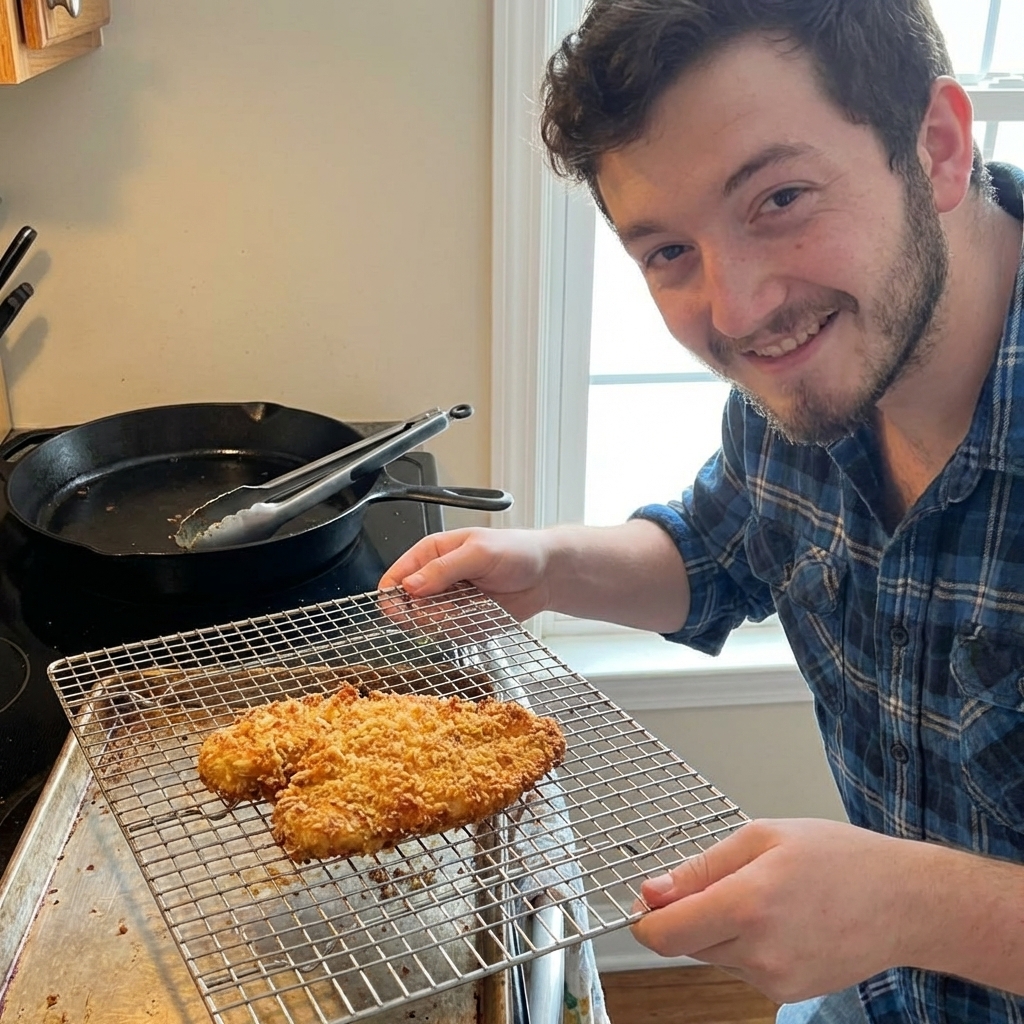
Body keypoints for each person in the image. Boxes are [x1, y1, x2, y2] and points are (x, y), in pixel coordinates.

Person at [380, 1, 1024, 1021]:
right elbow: (718, 548)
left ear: (938, 147)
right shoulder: (810, 377)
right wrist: (548, 563)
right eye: (668, 252)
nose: (736, 312)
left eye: (778, 198)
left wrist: (918, 905)